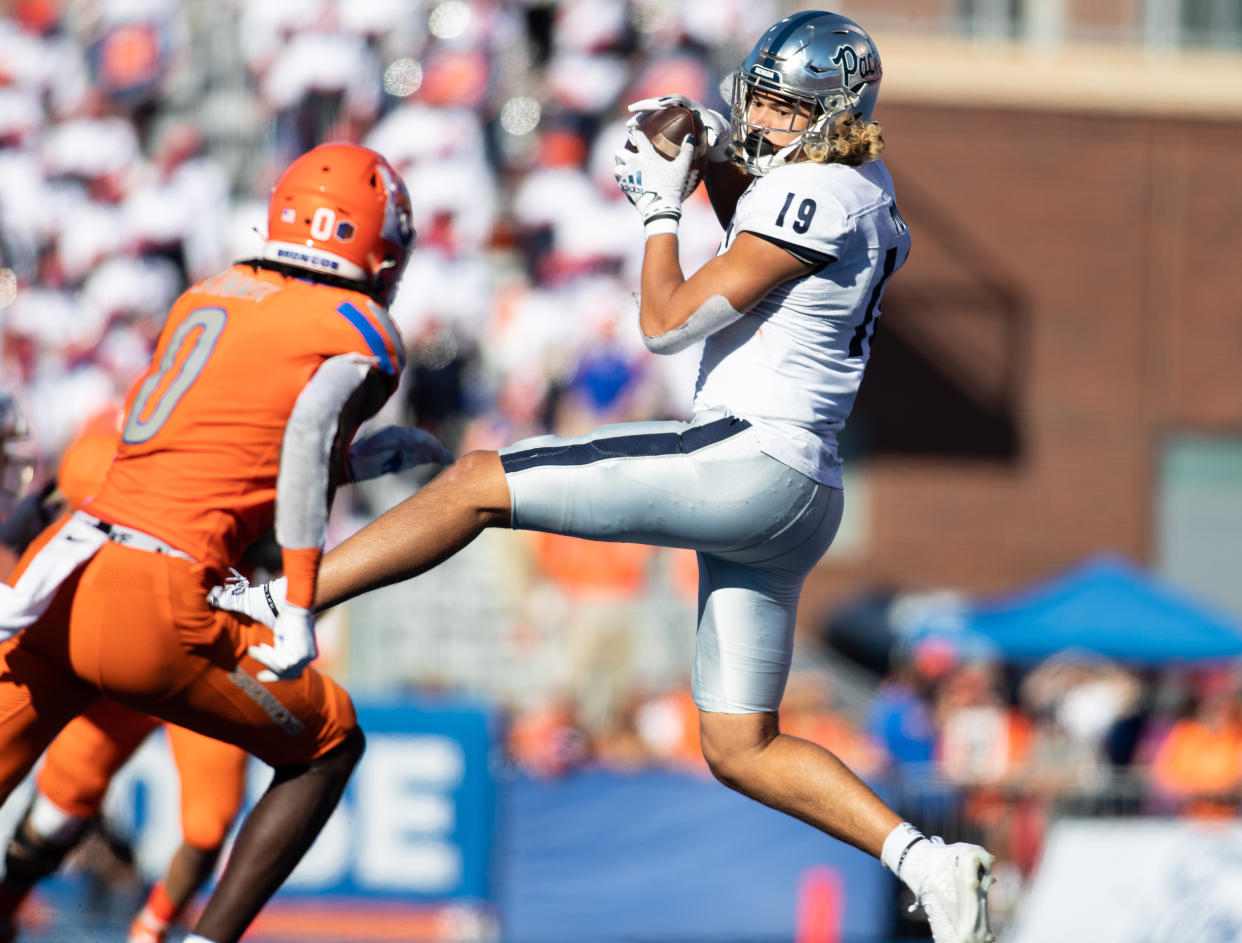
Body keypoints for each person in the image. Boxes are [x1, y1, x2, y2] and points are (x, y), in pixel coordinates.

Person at [215, 13, 996, 943]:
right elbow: (766, 213)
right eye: (764, 102)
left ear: (833, 116)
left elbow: (665, 322)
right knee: (740, 745)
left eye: (787, 110)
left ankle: (283, 603)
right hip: (800, 492)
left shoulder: (821, 194)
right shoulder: (864, 185)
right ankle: (927, 859)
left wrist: (660, 209)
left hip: (747, 458)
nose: (767, 121)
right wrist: (707, 153)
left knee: (472, 481)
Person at [0, 141, 442, 943]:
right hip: (160, 602)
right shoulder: (359, 325)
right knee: (330, 743)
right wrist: (301, 596)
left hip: (64, 576)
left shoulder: (211, 291)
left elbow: (220, 450)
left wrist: (359, 459)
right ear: (375, 247)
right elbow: (303, 431)